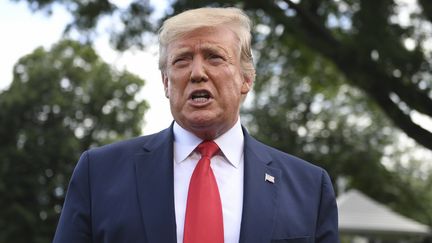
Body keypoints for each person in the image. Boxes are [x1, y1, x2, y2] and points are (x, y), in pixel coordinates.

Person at [53, 7, 339, 243]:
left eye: (214, 57)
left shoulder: (309, 187)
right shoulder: (99, 173)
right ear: (166, 83)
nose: (197, 73)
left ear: (246, 79)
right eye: (182, 60)